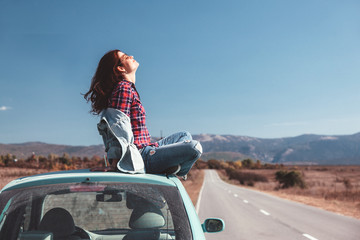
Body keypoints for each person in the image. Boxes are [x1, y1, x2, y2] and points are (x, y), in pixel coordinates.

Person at [84, 49, 202, 177]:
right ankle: (169, 169)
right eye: (126, 57)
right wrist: (116, 163)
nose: (132, 56)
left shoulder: (128, 88)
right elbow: (117, 127)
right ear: (120, 68)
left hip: (149, 147)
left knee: (184, 135)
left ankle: (169, 167)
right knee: (194, 147)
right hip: (141, 155)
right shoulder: (123, 88)